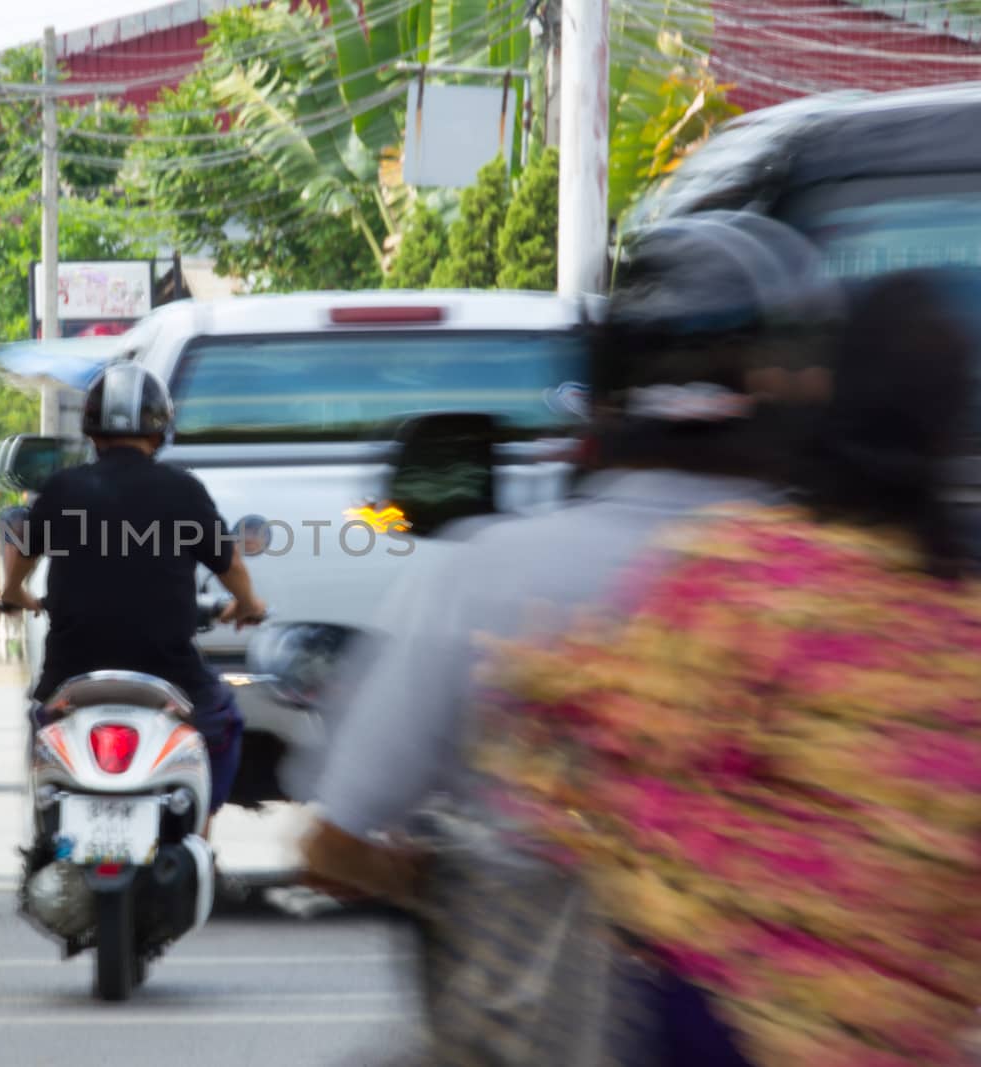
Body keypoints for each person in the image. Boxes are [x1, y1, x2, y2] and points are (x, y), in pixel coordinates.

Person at [294, 212, 843, 1056]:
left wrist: (457, 881)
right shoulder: (844, 594)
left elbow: (335, 843)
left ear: (604, 390)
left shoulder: (485, 576)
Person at [474, 268, 981, 1066]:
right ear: (950, 428)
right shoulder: (961, 628)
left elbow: (610, 766)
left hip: (727, 1024)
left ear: (826, 398)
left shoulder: (741, 573)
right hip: (905, 1034)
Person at [0, 362, 268, 826]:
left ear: (91, 429)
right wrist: (249, 606)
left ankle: (48, 829)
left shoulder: (62, 489)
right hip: (168, 673)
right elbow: (231, 565)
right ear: (160, 429)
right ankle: (198, 828)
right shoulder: (183, 491)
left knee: (43, 726)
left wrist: (13, 593)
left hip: (73, 671)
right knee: (222, 722)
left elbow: (22, 554)